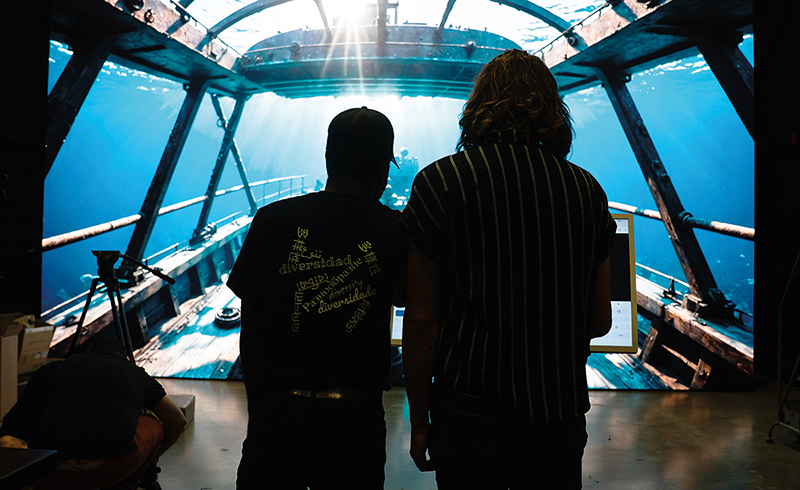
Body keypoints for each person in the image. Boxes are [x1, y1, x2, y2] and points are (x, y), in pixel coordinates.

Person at [400, 49, 616, 489]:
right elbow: (599, 321)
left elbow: (421, 322)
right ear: (554, 109)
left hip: (468, 416)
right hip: (558, 414)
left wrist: (420, 420)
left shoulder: (441, 181)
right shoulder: (586, 191)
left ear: (478, 106)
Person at [227, 107, 408, 489]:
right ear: (383, 168)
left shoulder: (271, 219)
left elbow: (252, 327)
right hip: (356, 416)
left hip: (278, 410)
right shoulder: (396, 230)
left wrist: (257, 410)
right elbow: (414, 310)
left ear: (328, 158)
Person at [0, 339, 187, 490]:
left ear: (89, 354)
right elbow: (178, 421)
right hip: (109, 469)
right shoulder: (136, 373)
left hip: (50, 469)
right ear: (124, 359)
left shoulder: (57, 368)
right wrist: (150, 459)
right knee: (152, 422)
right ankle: (133, 480)